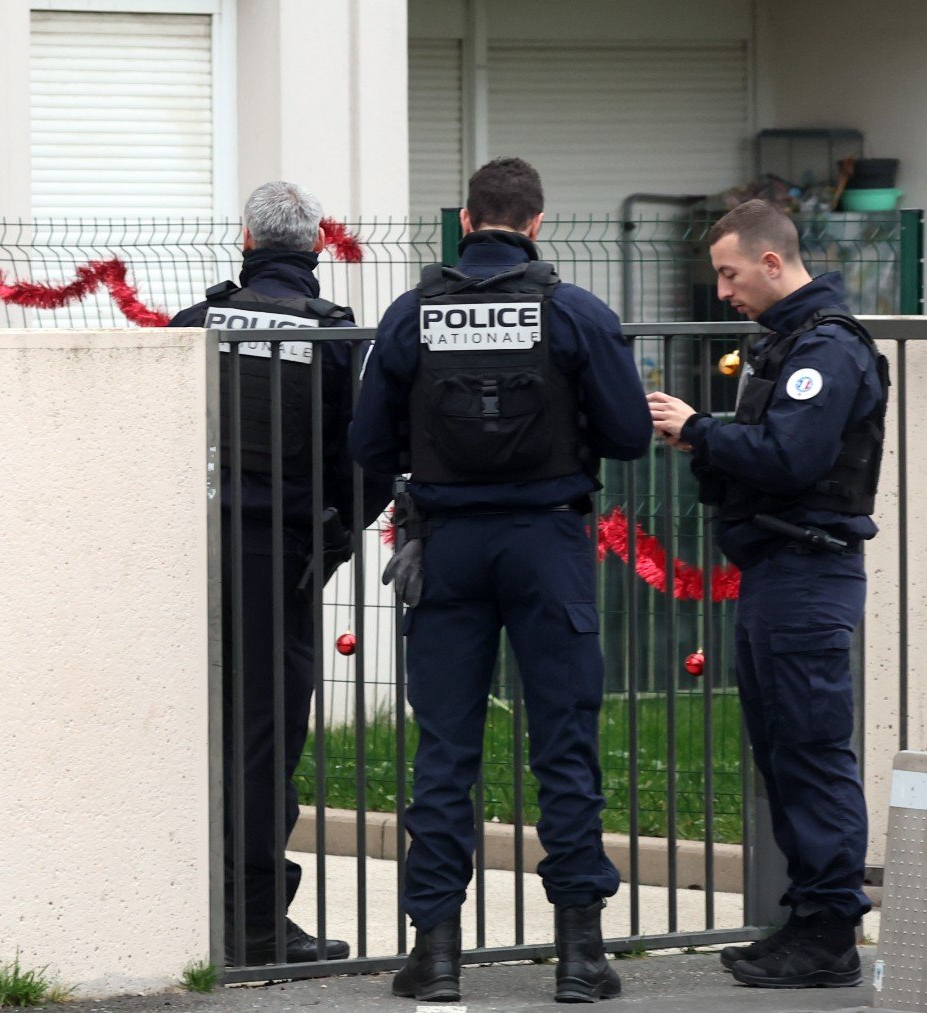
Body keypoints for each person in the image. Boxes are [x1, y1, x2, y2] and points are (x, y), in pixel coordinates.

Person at [349, 157, 652, 1003]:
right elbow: (630, 434)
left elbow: (369, 443)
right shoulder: (575, 313)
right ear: (537, 222)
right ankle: (581, 958)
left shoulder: (412, 315)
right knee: (564, 743)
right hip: (548, 546)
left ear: (466, 219)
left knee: (446, 750)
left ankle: (437, 957)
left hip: (447, 548)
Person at [645, 198, 888, 989]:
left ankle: (830, 932)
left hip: (808, 570)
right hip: (776, 571)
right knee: (782, 746)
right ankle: (809, 917)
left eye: (730, 272)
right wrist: (706, 440)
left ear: (773, 263)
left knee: (812, 748)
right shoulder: (783, 346)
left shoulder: (828, 350)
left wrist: (701, 430)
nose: (722, 290)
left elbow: (790, 456)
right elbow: (761, 459)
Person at [170, 180, 383, 966]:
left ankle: (192, 909)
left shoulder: (195, 325)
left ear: (246, 241)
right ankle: (255, 924)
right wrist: (325, 550)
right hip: (278, 559)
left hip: (191, 555)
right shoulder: (333, 337)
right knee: (265, 741)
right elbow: (361, 464)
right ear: (318, 246)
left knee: (197, 733)